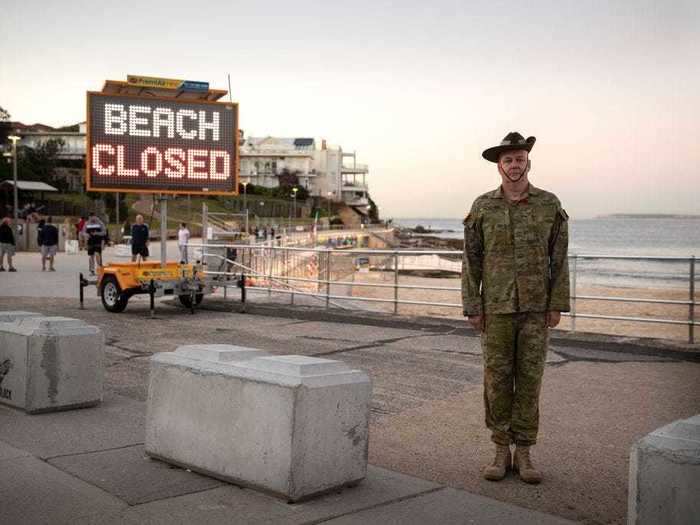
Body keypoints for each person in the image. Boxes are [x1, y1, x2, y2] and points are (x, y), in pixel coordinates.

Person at [462, 132, 570, 484]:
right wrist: (472, 306)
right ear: (499, 165)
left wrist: (557, 304)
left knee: (529, 380)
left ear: (528, 162)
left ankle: (524, 452)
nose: (514, 165)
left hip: (537, 310)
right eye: (507, 160)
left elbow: (560, 259)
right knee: (495, 380)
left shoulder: (549, 204)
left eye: (519, 158)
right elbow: (471, 260)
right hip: (495, 309)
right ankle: (499, 449)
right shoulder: (482, 206)